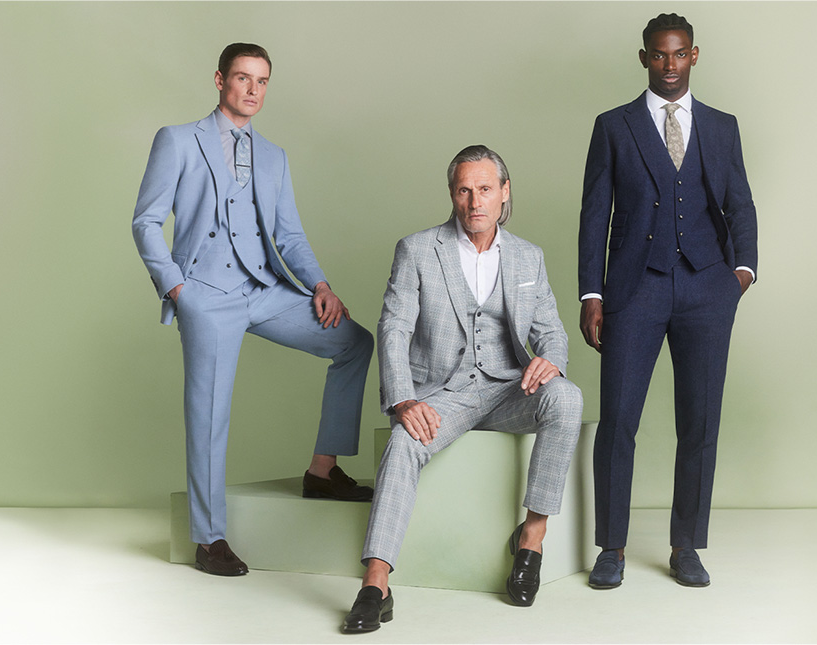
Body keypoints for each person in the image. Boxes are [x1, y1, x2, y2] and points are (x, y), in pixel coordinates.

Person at [132, 43, 374, 576]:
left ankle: (321, 470)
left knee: (354, 341)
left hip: (263, 291)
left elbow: (288, 235)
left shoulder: (273, 155)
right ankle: (208, 538)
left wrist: (321, 284)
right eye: (243, 78)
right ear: (220, 80)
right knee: (210, 414)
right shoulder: (178, 140)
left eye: (262, 81)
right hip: (205, 294)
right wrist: (178, 289)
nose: (252, 90)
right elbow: (146, 221)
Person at [341, 145, 583, 632]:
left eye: (486, 189)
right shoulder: (416, 250)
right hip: (442, 394)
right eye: (465, 190)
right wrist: (404, 398)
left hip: (508, 390)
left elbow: (552, 331)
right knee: (404, 442)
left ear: (504, 192)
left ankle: (531, 540)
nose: (476, 201)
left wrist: (551, 360)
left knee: (568, 398)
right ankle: (375, 583)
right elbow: (394, 327)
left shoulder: (527, 258)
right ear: (453, 196)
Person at [578, 13, 758, 589]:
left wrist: (741, 273)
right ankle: (612, 547)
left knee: (700, 423)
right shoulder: (614, 126)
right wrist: (592, 291)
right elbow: (594, 216)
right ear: (644, 59)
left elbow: (741, 205)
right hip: (636, 289)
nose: (670, 66)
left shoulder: (722, 126)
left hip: (708, 289)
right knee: (618, 424)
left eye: (679, 55)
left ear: (695, 56)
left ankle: (686, 546)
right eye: (659, 56)